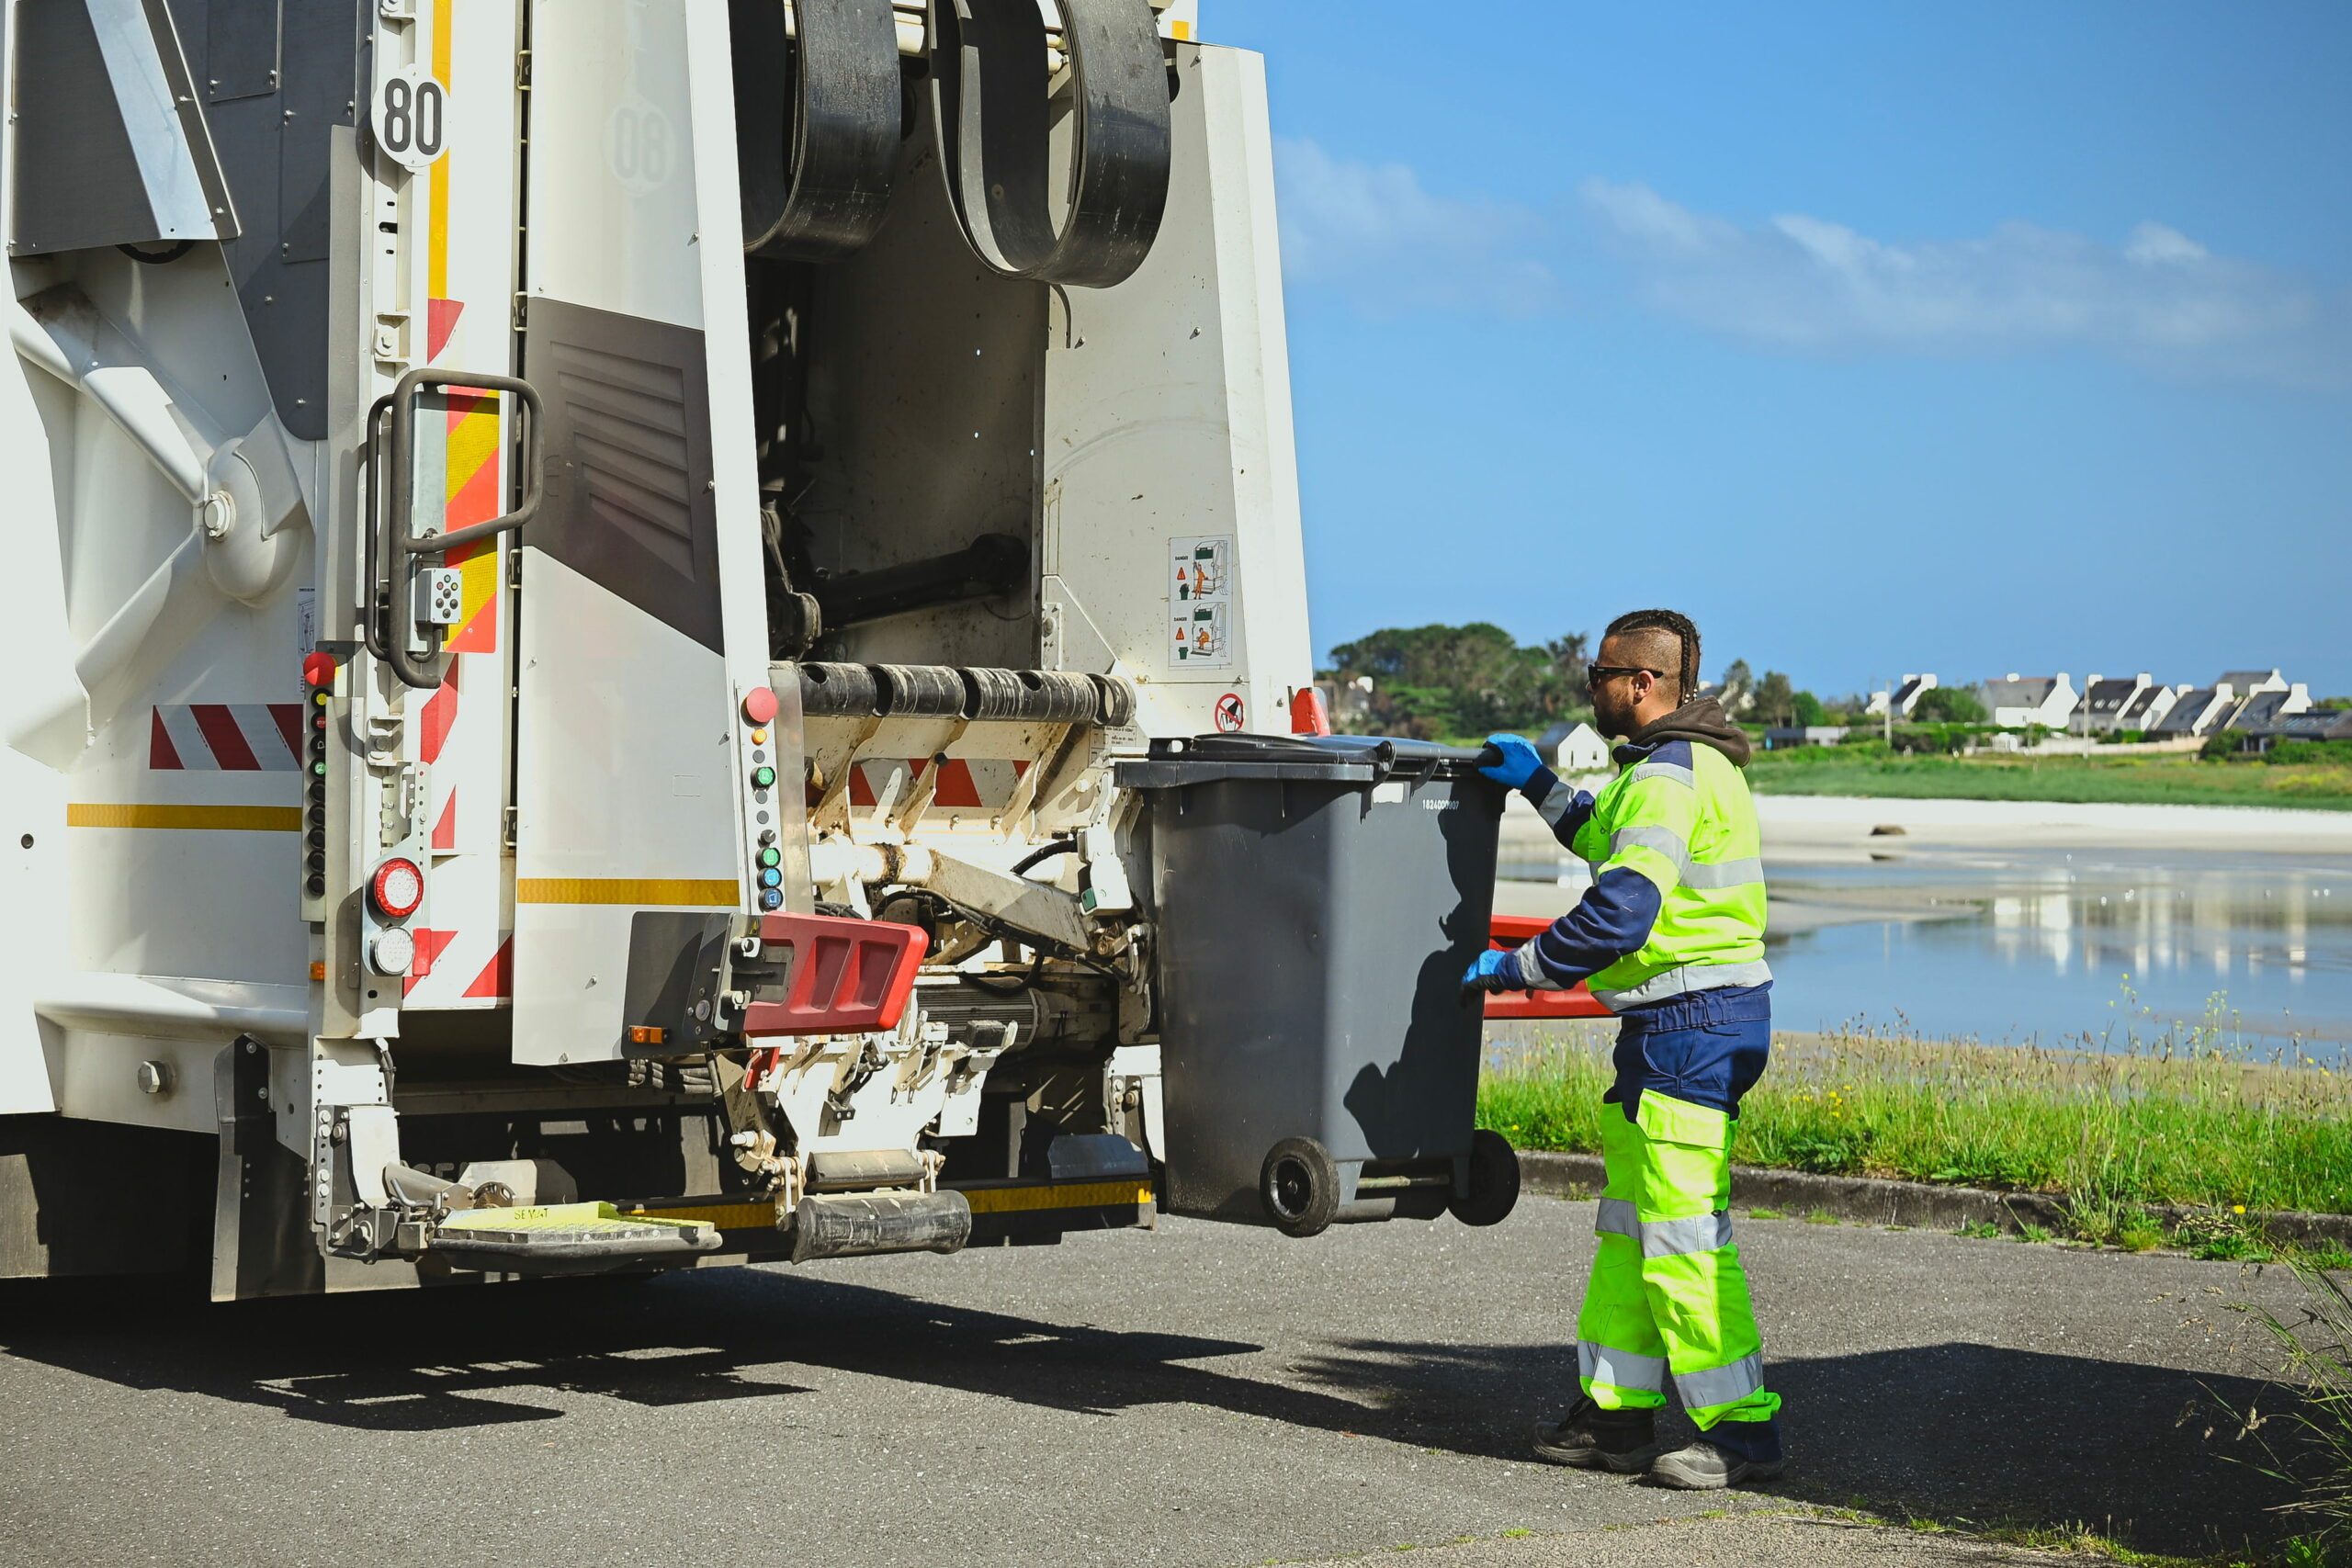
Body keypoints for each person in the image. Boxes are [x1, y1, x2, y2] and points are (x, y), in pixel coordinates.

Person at [1463, 608, 1783, 1490]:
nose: (1591, 687)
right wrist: (1537, 783)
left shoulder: (1672, 775)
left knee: (1682, 1235)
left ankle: (1743, 1433)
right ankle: (1617, 1416)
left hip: (1693, 1028)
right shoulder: (1670, 767)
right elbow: (1602, 835)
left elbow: (1621, 912)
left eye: (1601, 674)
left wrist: (1517, 967)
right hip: (1678, 1025)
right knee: (1634, 1228)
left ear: (1642, 683)